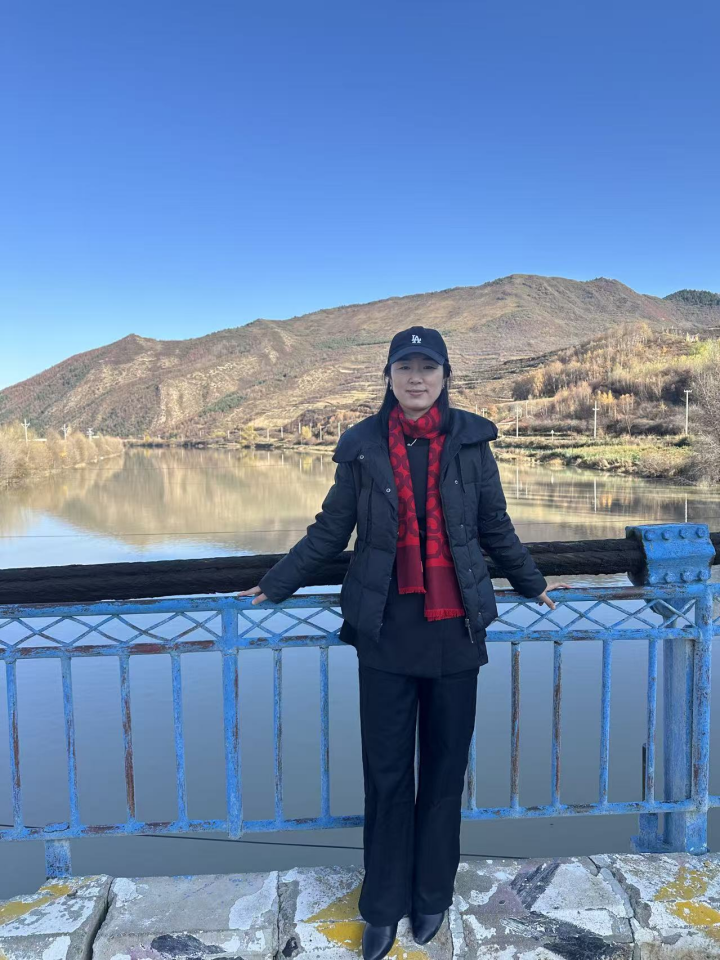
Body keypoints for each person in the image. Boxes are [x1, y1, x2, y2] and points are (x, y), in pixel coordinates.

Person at [238, 325, 569, 960]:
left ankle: (432, 895)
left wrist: (532, 582)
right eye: (405, 367)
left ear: (445, 376)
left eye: (428, 367)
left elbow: (494, 525)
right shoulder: (363, 445)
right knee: (388, 776)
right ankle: (383, 905)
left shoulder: (471, 441)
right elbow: (331, 530)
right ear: (389, 377)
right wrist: (276, 583)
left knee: (443, 773)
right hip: (385, 631)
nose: (417, 378)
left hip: (456, 630)